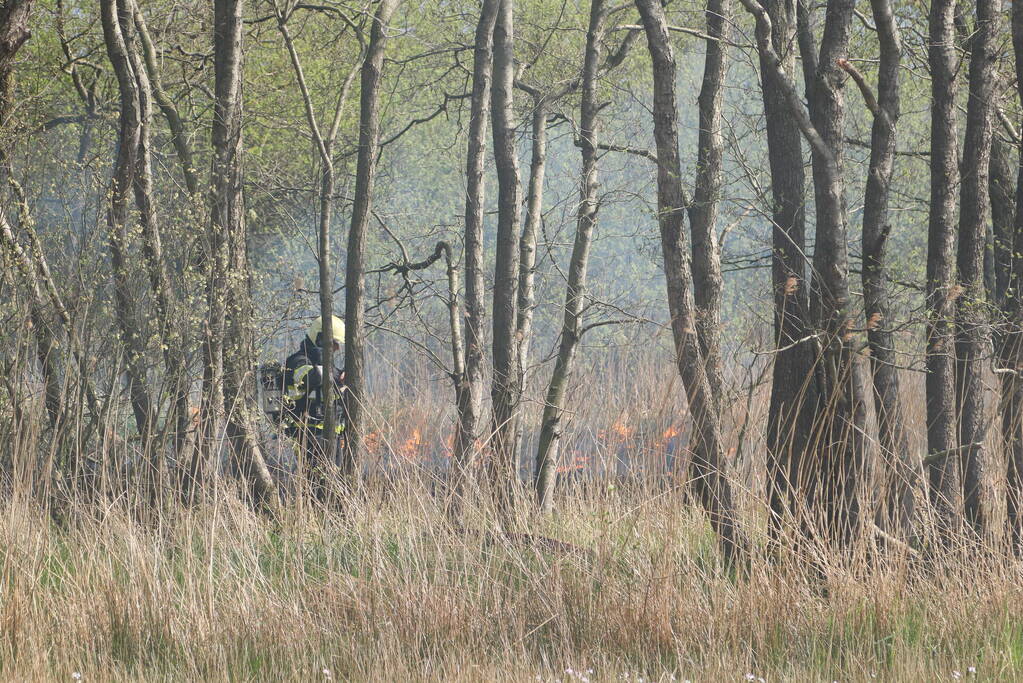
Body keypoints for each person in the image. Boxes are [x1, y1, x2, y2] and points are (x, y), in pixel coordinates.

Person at [282, 315, 347, 492]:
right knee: (316, 485)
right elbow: (313, 376)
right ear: (320, 338)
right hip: (309, 436)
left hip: (331, 436)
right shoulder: (297, 361)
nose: (337, 348)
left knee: (332, 484)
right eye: (334, 343)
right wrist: (338, 377)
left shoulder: (327, 367)